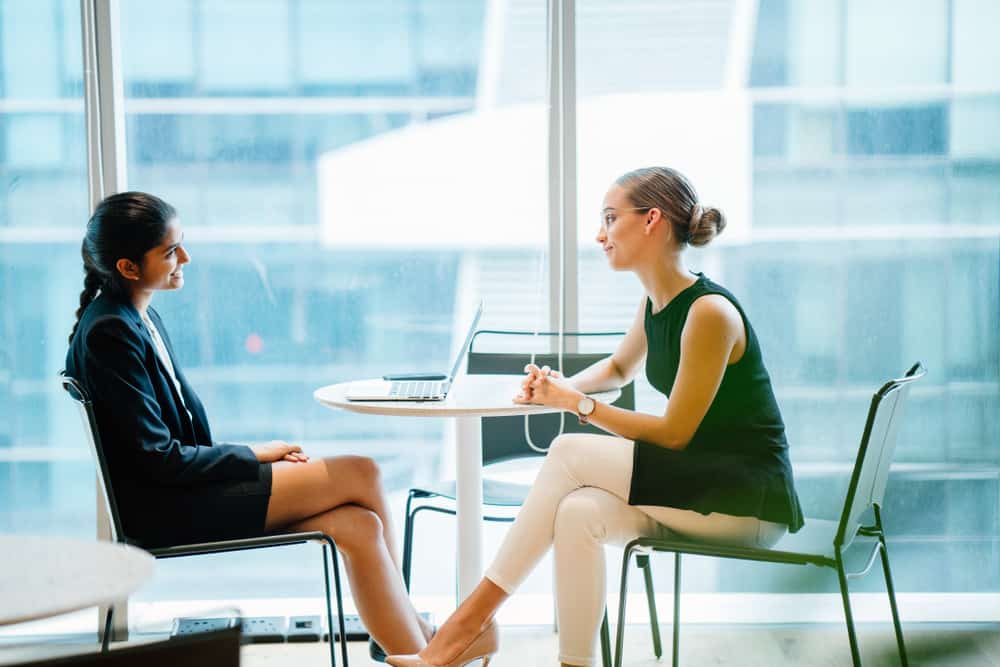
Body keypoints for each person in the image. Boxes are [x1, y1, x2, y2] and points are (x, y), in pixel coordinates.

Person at [386, 167, 804, 667]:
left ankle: (468, 625)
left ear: (652, 220)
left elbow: (674, 434)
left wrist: (576, 405)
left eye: (610, 219)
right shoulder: (657, 300)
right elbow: (618, 367)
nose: (599, 234)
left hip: (744, 499)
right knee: (577, 512)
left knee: (568, 450)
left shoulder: (709, 312)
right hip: (697, 486)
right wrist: (557, 388)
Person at [64, 191, 432, 657]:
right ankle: (420, 633)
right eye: (170, 251)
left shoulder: (138, 316)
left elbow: (178, 443)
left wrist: (258, 459)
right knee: (363, 472)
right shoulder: (109, 332)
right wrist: (255, 456)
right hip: (168, 508)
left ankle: (409, 649)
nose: (185, 258)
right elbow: (157, 458)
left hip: (183, 489)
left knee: (359, 525)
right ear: (128, 268)